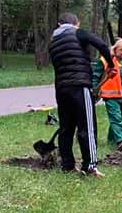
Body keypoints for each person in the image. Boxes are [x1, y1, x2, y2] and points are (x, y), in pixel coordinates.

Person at [48, 12, 114, 176]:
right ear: (76, 23)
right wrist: (111, 64)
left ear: (58, 24)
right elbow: (102, 46)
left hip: (61, 89)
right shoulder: (78, 32)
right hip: (80, 86)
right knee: (87, 127)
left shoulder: (53, 42)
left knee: (66, 128)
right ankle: (90, 165)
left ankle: (67, 165)